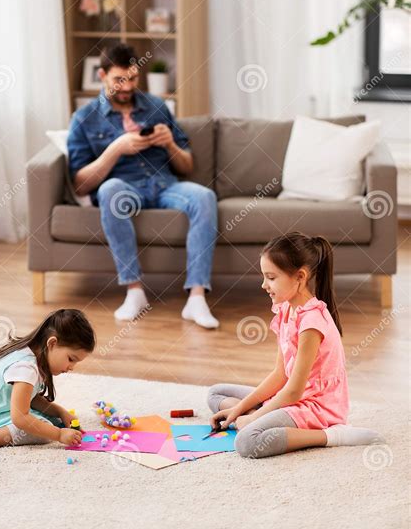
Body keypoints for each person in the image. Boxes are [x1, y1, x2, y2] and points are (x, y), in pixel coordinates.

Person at [67, 44, 219, 329]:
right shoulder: (84, 119)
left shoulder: (157, 107)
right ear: (102, 75)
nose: (127, 87)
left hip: (165, 185)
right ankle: (134, 291)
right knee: (109, 190)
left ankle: (196, 296)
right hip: (125, 187)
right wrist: (116, 148)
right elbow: (80, 185)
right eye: (119, 80)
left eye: (133, 79)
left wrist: (170, 143)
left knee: (204, 197)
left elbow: (187, 166)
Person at [207, 232, 383, 458]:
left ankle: (333, 435)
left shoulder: (311, 323)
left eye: (271, 277)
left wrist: (254, 418)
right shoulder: (284, 310)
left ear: (300, 277)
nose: (263, 285)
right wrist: (239, 410)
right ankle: (266, 416)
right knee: (215, 394)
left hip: (316, 406)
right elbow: (280, 374)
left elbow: (294, 390)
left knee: (247, 442)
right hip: (291, 396)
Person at [0, 309, 95, 459]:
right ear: (52, 343)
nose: (72, 367)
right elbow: (19, 418)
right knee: (41, 430)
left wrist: (60, 412)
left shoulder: (31, 354)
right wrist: (58, 434)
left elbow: (31, 398)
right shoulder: (26, 368)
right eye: (71, 359)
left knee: (49, 421)